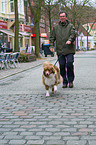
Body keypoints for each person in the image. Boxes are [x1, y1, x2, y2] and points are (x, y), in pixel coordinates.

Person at [49, 11, 76, 88]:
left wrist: (70, 40)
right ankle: (64, 81)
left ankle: (70, 81)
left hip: (69, 49)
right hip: (60, 50)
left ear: (66, 17)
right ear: (59, 18)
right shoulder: (56, 28)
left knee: (69, 64)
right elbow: (52, 37)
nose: (62, 17)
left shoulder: (71, 26)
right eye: (60, 16)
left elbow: (73, 34)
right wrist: (51, 46)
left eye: (63, 16)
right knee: (62, 66)